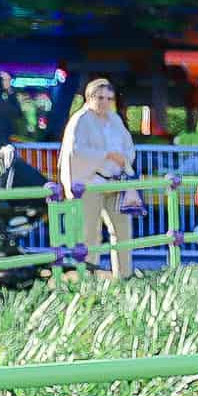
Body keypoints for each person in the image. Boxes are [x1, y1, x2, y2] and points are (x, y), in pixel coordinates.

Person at [58, 77, 136, 280]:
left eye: (108, 98)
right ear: (89, 97)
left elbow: (128, 147)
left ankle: (124, 276)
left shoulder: (115, 119)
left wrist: (122, 160)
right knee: (89, 234)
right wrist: (106, 155)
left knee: (123, 232)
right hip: (88, 184)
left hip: (115, 182)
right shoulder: (80, 120)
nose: (104, 102)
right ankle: (86, 278)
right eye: (100, 97)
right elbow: (76, 152)